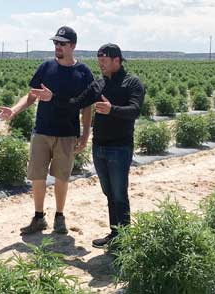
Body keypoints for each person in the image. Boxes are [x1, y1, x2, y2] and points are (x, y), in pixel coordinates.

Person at [30, 43, 145, 248]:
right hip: (99, 146)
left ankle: (125, 238)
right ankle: (115, 233)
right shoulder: (99, 84)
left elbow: (135, 110)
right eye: (99, 61)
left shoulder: (132, 83)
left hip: (120, 147)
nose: (100, 65)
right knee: (109, 193)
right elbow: (76, 103)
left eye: (104, 61)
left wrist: (112, 110)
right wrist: (53, 98)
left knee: (119, 193)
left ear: (116, 60)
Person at [0, 26, 94, 235]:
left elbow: (87, 106)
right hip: (42, 131)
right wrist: (14, 110)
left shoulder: (83, 73)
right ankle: (38, 217)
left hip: (67, 133)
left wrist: (86, 134)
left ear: (73, 46)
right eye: (55, 43)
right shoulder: (46, 67)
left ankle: (60, 216)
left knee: (62, 177)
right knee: (37, 176)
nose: (57, 47)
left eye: (62, 43)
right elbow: (32, 95)